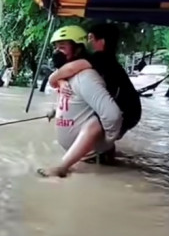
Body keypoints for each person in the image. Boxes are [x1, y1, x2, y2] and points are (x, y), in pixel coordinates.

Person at [45, 23, 141, 163]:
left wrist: (53, 78)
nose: (88, 42)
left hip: (127, 109)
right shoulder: (101, 62)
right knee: (99, 118)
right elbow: (85, 100)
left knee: (95, 124)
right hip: (129, 107)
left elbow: (71, 68)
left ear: (101, 42)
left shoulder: (100, 59)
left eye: (91, 38)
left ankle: (63, 167)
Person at [37, 26, 123, 178]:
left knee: (95, 123)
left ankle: (62, 167)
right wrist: (57, 111)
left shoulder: (86, 77)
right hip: (82, 162)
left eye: (62, 47)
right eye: (56, 47)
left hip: (92, 166)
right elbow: (79, 103)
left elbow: (112, 116)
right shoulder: (67, 76)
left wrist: (105, 143)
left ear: (77, 50)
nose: (57, 52)